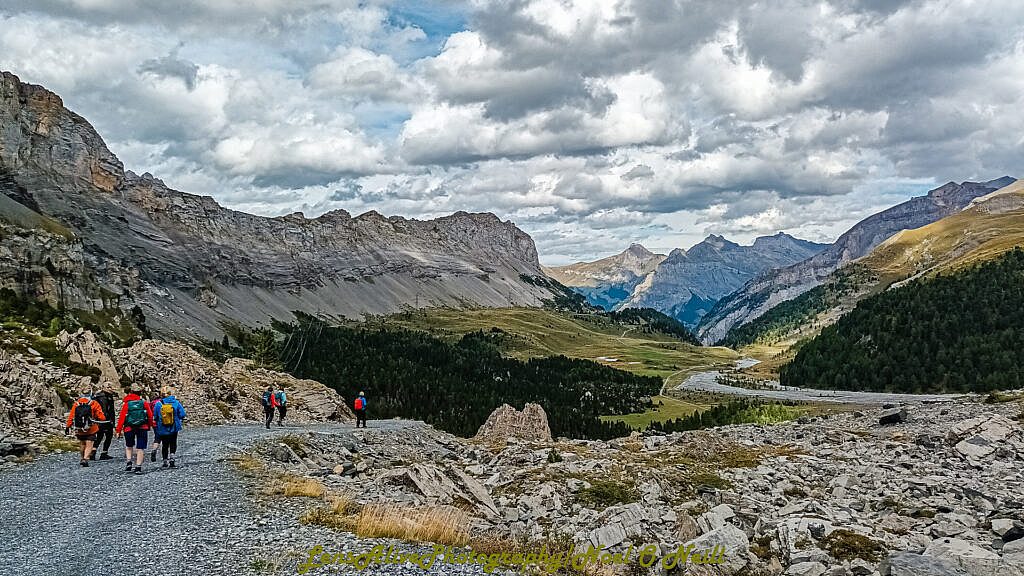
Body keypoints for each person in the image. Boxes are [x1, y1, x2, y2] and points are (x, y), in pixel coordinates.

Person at [115, 383, 155, 475]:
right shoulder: (144, 403)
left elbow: (122, 418)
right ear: (140, 392)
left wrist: (118, 430)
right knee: (140, 447)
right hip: (142, 427)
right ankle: (138, 466)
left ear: (131, 392)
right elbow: (150, 416)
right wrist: (151, 425)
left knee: (129, 446)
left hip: (129, 427)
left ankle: (129, 462)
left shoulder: (126, 404)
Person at [64, 384, 106, 467]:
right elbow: (101, 417)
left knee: (82, 443)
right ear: (90, 393)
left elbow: (71, 416)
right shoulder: (94, 403)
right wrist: (102, 420)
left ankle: (82, 457)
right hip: (91, 428)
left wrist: (68, 426)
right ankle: (86, 458)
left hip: (79, 428)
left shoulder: (76, 404)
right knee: (89, 443)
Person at [151, 386, 186, 468]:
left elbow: (155, 416)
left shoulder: (158, 404)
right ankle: (172, 458)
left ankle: (165, 461)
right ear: (170, 393)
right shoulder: (176, 403)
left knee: (165, 444)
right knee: (173, 442)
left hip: (162, 427)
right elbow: (182, 414)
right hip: (174, 427)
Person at [90, 381, 117, 461]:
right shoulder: (106, 397)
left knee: (99, 436)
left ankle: (93, 452)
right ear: (103, 387)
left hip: (97, 420)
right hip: (105, 420)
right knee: (108, 435)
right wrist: (111, 422)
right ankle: (104, 453)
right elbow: (107, 410)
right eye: (108, 387)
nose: (110, 388)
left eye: (110, 387)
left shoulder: (97, 396)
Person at [147, 392, 162, 463]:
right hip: (161, 422)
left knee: (157, 437)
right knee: (166, 438)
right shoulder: (160, 403)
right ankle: (167, 456)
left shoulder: (150, 404)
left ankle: (154, 449)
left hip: (154, 423)